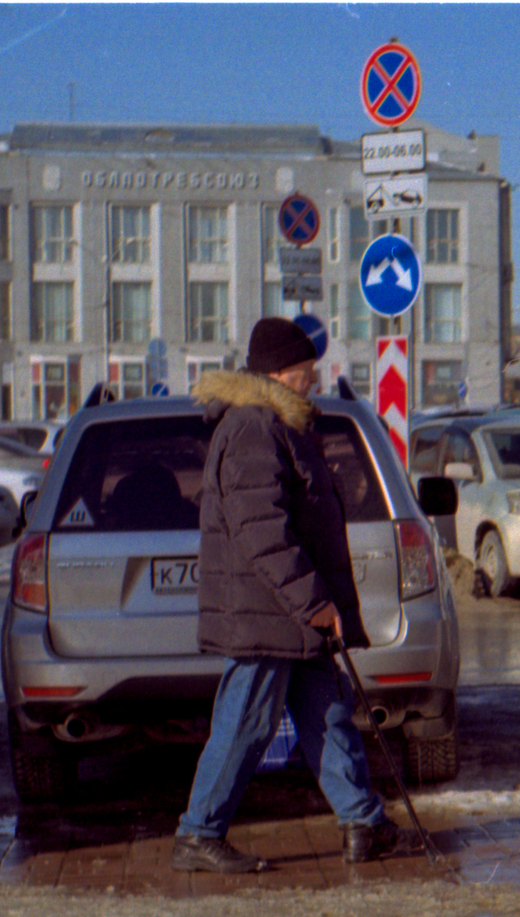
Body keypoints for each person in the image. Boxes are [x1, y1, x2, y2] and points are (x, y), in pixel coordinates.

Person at [171, 317, 422, 874]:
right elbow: (262, 530)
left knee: (329, 714)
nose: (314, 381)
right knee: (246, 721)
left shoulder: (278, 425)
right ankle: (198, 833)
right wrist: (312, 600)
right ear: (282, 373)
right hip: (269, 613)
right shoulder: (253, 428)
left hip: (287, 612)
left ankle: (364, 822)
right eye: (308, 372)